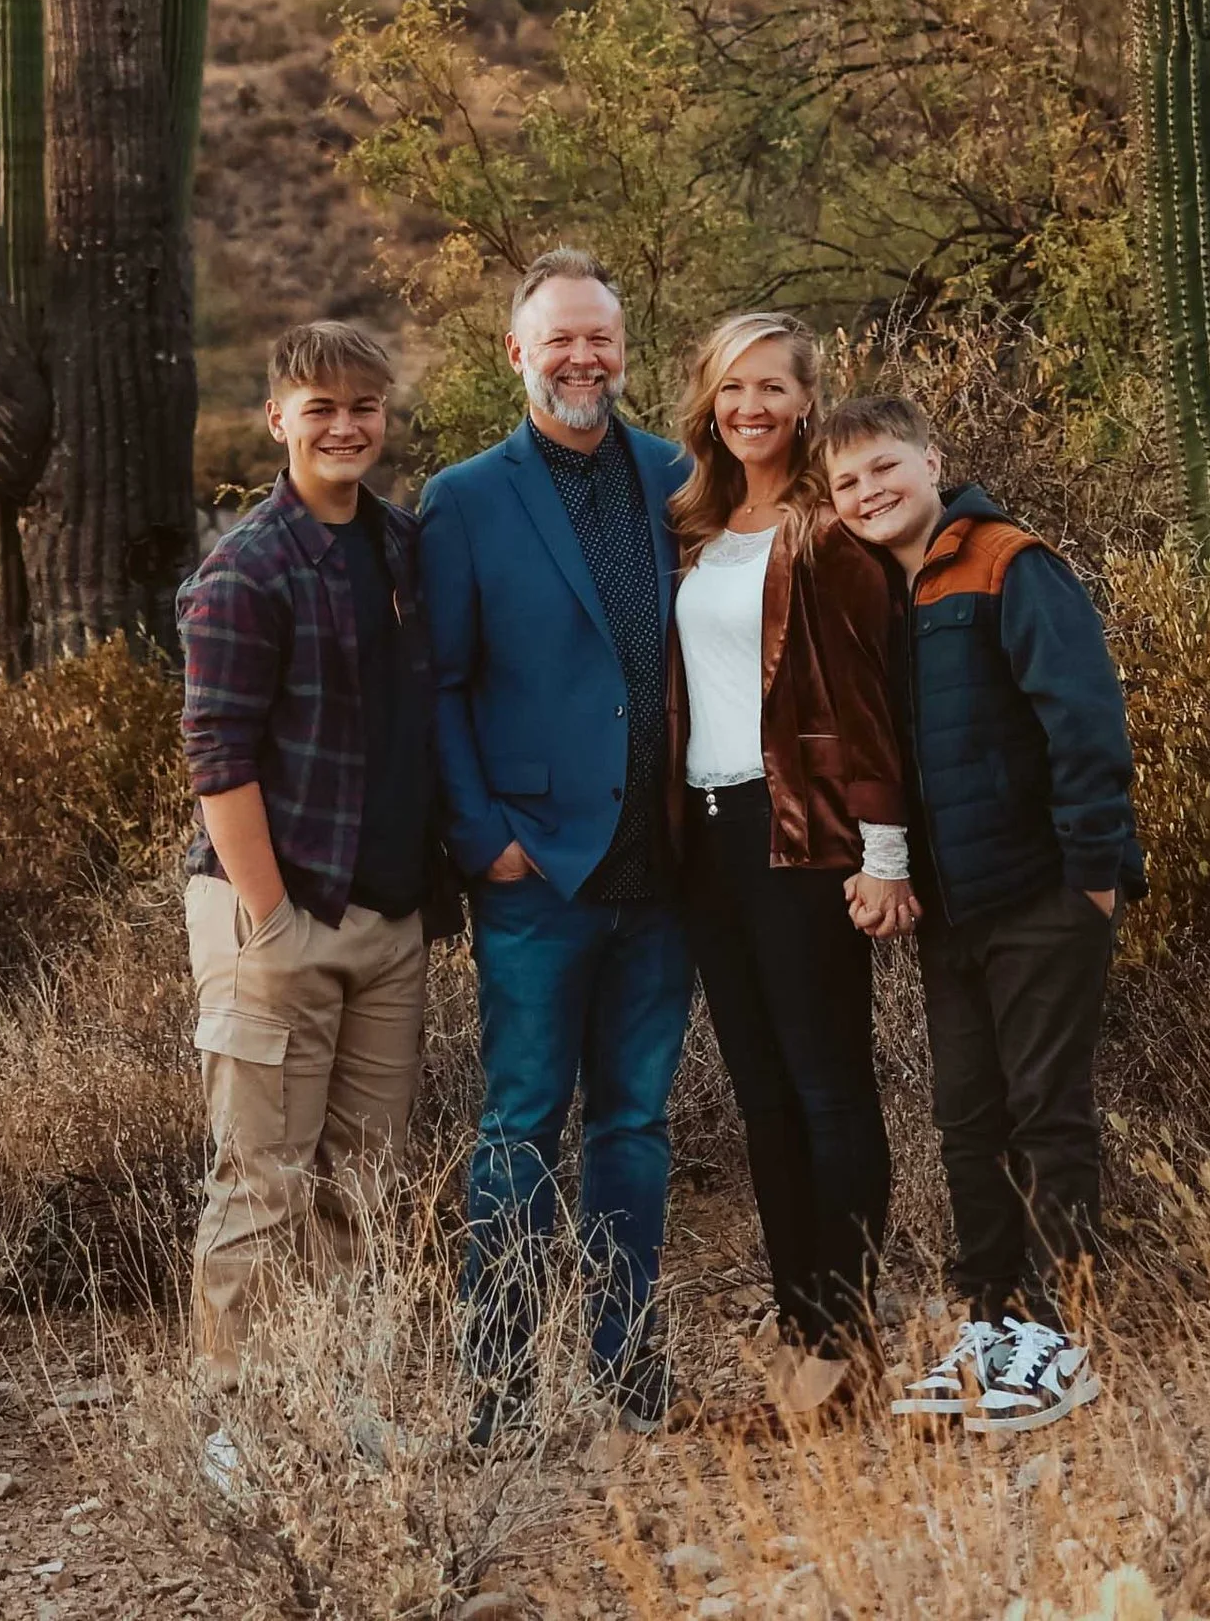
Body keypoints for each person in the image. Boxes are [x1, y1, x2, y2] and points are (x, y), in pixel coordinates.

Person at [823, 390, 1142, 1439]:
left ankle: (1062, 1336)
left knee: (1047, 1111)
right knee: (968, 1117)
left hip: (1043, 890)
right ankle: (992, 1321)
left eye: (884, 467)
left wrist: (1093, 876)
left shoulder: (1008, 561)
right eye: (847, 482)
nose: (870, 490)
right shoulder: (879, 590)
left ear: (930, 459)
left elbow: (1084, 717)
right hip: (953, 907)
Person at [417, 249, 693, 1431]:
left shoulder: (675, 476)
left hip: (664, 867)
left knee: (634, 1123)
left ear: (625, 350)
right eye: (561, 339)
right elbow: (439, 682)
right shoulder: (465, 497)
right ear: (516, 353)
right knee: (522, 1122)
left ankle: (626, 1365)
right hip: (537, 871)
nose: (585, 357)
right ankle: (497, 1381)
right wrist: (485, 839)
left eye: (602, 339)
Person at [176, 320, 452, 1472]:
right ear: (278, 416)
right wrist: (272, 916)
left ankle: (349, 1397)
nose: (346, 426)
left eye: (365, 407)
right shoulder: (246, 567)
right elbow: (216, 753)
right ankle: (231, 1420)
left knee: (366, 1181)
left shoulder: (399, 542)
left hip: (387, 915)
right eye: (321, 406)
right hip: (274, 913)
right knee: (261, 1175)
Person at [666, 312, 916, 1421]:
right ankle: (802, 1327)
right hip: (707, 837)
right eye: (732, 388)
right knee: (763, 1097)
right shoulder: (693, 524)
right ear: (709, 403)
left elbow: (866, 703)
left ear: (808, 401)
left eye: (772, 386)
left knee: (828, 1086)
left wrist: (885, 850)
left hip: (802, 834)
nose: (750, 407)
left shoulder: (827, 535)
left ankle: (847, 1339)